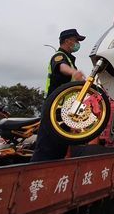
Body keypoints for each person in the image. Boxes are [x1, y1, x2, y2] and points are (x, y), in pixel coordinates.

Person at [31, 29, 87, 162]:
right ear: (67, 41)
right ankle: (36, 173)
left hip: (63, 109)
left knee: (59, 146)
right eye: (76, 40)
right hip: (53, 108)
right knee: (46, 146)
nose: (78, 43)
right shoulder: (59, 56)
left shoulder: (70, 59)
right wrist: (74, 72)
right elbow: (61, 67)